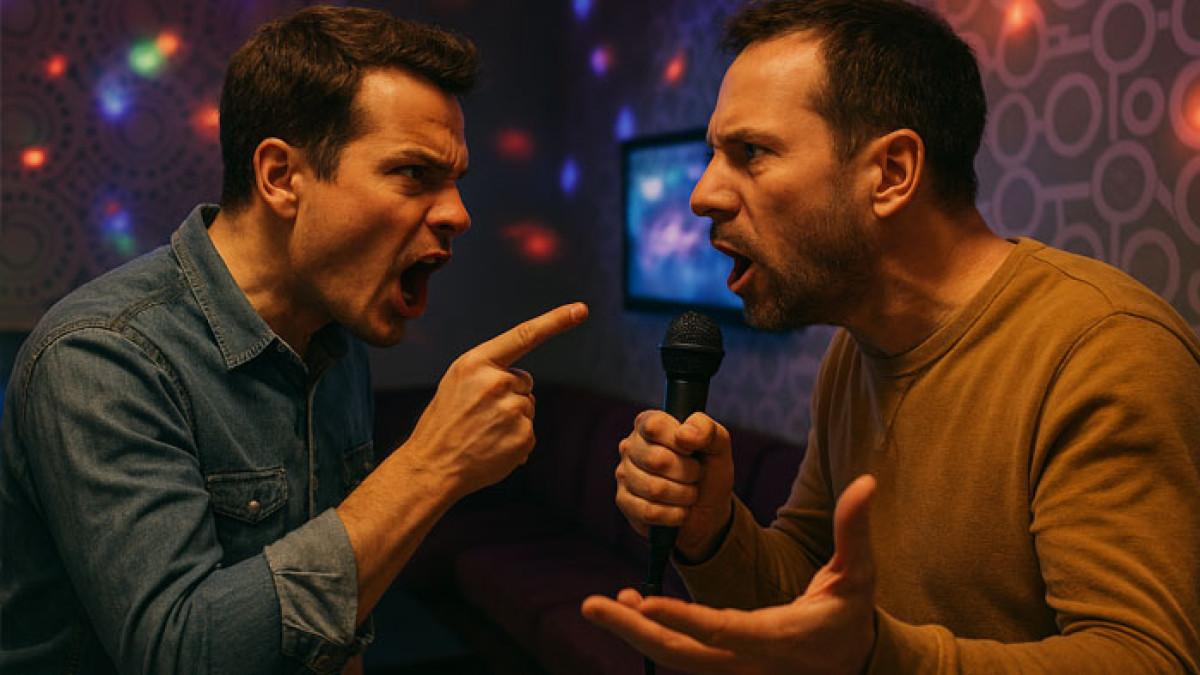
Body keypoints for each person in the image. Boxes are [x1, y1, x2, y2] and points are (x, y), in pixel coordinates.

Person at [582, 1, 1200, 672]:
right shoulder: (855, 351)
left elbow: (1144, 658)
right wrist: (713, 530)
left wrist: (882, 655)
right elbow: (808, 589)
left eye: (750, 153)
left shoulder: (1103, 351)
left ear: (892, 173)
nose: (703, 195)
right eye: (714, 156)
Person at [0, 6, 586, 674]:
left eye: (455, 182)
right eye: (414, 174)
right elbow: (182, 654)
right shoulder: (102, 355)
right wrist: (432, 465)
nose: (459, 213)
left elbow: (336, 613)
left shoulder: (334, 332)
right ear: (280, 177)